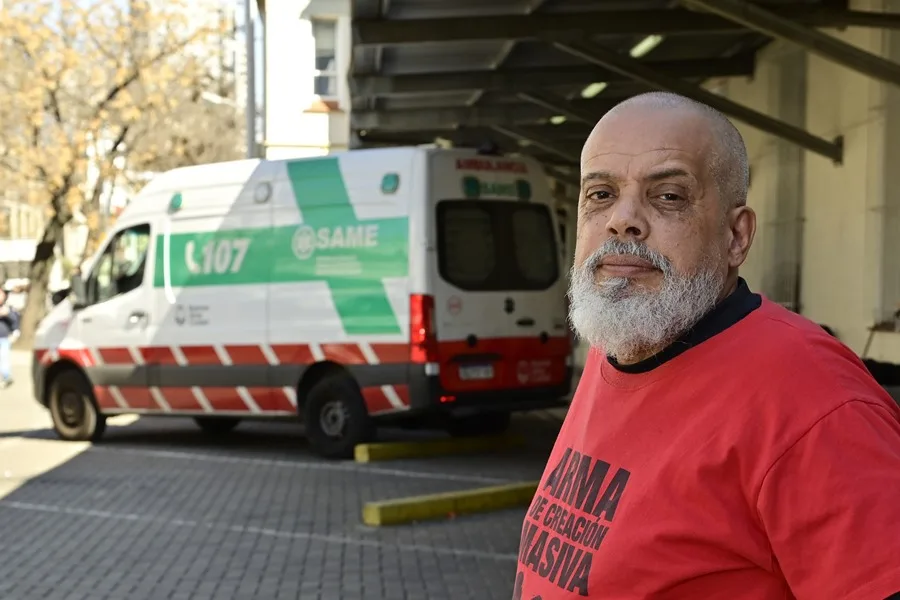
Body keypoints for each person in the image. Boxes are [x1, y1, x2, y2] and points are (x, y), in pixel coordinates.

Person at [512, 92, 900, 600]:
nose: (622, 220)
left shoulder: (813, 398)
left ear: (737, 236)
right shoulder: (620, 344)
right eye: (601, 194)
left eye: (668, 196)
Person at [0, 285, 20, 388]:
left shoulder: (8, 308)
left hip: (4, 337)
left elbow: (15, 320)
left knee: (4, 358)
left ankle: (6, 377)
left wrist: (7, 314)